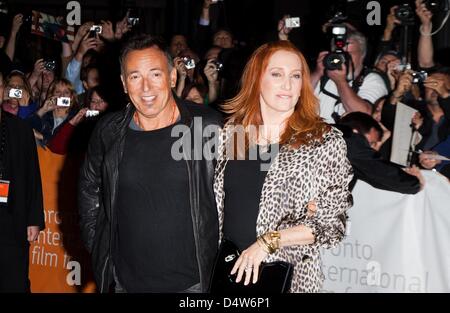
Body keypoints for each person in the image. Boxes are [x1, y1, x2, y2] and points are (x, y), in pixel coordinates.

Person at [78, 34, 222, 293]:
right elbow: (89, 187)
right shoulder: (108, 131)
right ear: (124, 83)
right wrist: (99, 242)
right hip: (126, 284)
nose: (146, 88)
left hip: (193, 285)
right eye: (135, 77)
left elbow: (236, 191)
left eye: (155, 75)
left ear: (173, 77)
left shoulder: (207, 127)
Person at [214, 41, 353, 293]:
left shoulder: (323, 141)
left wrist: (268, 242)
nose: (287, 84)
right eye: (276, 74)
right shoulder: (232, 133)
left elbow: (332, 226)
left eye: (296, 76)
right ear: (257, 79)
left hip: (287, 277)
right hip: (228, 271)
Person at [0, 108, 45, 292]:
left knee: (15, 280)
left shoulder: (20, 128)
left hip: (13, 219)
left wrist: (34, 219)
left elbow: (32, 174)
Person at [336, 112, 422, 193]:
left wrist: (410, 181)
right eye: (370, 143)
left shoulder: (336, 137)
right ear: (355, 131)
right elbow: (380, 170)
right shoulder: (350, 140)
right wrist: (416, 184)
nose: (372, 148)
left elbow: (375, 178)